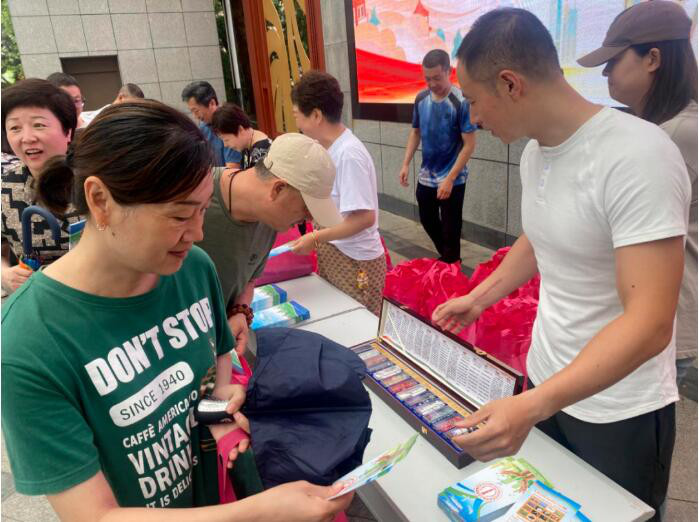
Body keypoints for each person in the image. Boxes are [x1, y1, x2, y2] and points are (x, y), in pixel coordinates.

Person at [1, 99, 352, 521]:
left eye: (203, 210)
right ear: (100, 200)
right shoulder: (29, 342)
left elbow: (217, 364)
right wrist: (260, 512)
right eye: (181, 215)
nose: (198, 233)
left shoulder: (193, 269)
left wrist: (219, 404)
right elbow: (93, 516)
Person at [431, 9, 689, 519]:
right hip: (547, 380)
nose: (473, 118)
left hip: (618, 408)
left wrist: (531, 406)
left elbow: (650, 323)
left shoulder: (639, 156)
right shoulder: (536, 153)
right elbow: (541, 237)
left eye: (474, 100)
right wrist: (478, 299)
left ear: (511, 84)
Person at [577, 0, 697, 386]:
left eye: (614, 60)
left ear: (653, 59)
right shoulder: (662, 127)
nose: (606, 72)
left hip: (661, 318)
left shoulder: (674, 135)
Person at [197, 133, 342, 356]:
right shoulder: (195, 195)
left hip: (219, 347)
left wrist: (239, 312)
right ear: (278, 189)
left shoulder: (270, 220)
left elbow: (249, 277)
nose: (309, 220)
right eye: (307, 209)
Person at [289, 70, 386, 316]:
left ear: (316, 115)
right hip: (336, 251)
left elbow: (364, 218)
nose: (297, 125)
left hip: (356, 261)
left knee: (358, 324)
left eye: (297, 116)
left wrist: (315, 238)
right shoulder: (327, 148)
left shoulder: (348, 154)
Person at [1, 78, 80, 294]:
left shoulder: (97, 179)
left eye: (39, 125)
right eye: (15, 128)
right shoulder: (5, 187)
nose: (27, 138)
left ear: (68, 132)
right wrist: (5, 274)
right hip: (38, 298)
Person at [398, 49, 477, 264]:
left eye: (437, 78)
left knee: (451, 229)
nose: (432, 84)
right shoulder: (421, 99)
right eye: (427, 79)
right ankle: (451, 260)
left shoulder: (461, 102)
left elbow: (469, 145)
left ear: (449, 72)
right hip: (427, 176)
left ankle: (451, 262)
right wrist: (405, 164)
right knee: (427, 219)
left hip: (453, 179)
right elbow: (415, 132)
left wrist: (450, 179)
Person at [182, 81, 242, 168]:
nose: (195, 116)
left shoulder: (230, 122)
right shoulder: (203, 127)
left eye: (196, 111)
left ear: (212, 103)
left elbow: (232, 168)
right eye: (192, 112)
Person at [211, 103, 272, 170]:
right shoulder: (247, 145)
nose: (225, 145)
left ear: (240, 129)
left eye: (226, 140)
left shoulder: (262, 150)